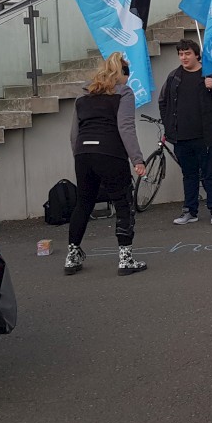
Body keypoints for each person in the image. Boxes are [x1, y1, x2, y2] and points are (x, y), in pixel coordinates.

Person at [64, 52, 147, 276]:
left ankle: (72, 256)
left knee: (83, 203)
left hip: (83, 153)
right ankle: (126, 259)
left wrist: (80, 156)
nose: (127, 81)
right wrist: (137, 159)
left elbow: (73, 133)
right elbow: (125, 127)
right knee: (122, 203)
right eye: (127, 76)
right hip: (110, 152)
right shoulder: (124, 93)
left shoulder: (83, 95)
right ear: (122, 74)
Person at [159, 39, 212, 226]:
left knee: (210, 173)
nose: (183, 57)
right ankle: (190, 211)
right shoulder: (174, 76)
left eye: (187, 53)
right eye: (181, 54)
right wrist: (168, 126)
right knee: (189, 175)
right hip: (181, 137)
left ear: (197, 55)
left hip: (207, 136)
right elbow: (163, 102)